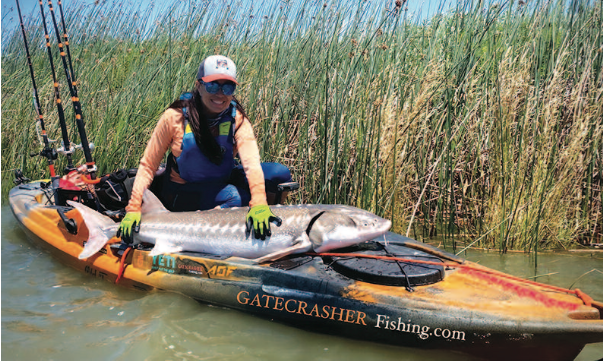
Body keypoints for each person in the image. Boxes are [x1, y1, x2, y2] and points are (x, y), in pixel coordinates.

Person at [117, 55, 287, 243]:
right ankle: (202, 236)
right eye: (213, 85)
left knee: (279, 174)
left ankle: (264, 224)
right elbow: (148, 166)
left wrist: (260, 203)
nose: (220, 93)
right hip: (182, 191)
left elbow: (252, 164)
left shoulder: (236, 118)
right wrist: (133, 208)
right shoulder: (174, 117)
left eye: (228, 87)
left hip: (220, 181)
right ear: (199, 86)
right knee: (236, 199)